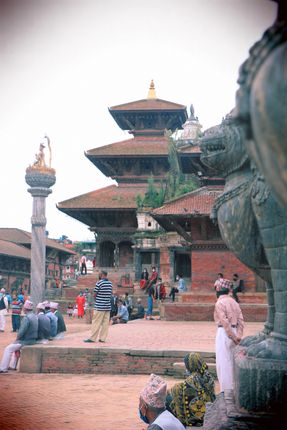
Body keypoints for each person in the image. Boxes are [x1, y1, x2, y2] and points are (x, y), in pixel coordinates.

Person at [166, 352, 216, 427]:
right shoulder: (209, 380)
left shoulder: (180, 387)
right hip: (209, 418)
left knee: (168, 397)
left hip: (190, 422)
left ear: (189, 367)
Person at [214, 280, 244, 393]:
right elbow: (241, 320)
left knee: (223, 363)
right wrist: (238, 336)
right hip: (235, 331)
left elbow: (224, 322)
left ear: (218, 289)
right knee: (232, 362)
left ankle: (226, 392)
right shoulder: (234, 302)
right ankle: (235, 389)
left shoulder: (219, 303)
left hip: (224, 333)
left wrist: (232, 336)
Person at [0, 300, 38, 373]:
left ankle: (3, 368)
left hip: (25, 341)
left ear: (25, 309)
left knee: (8, 348)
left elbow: (21, 332)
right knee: (15, 347)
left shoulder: (27, 318)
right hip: (32, 339)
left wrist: (17, 339)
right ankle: (13, 366)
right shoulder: (34, 316)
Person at [84, 270, 112, 343]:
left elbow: (95, 294)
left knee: (96, 322)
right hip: (107, 306)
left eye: (99, 274)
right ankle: (102, 338)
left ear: (102, 275)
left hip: (99, 306)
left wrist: (97, 299)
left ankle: (93, 338)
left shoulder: (99, 283)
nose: (99, 276)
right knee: (105, 323)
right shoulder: (110, 283)